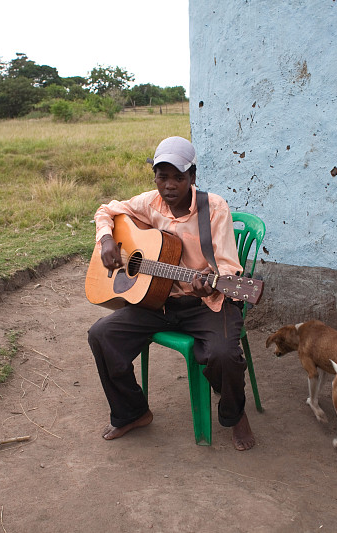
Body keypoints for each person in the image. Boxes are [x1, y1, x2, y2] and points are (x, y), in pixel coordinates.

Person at [87, 136, 255, 451]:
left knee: (224, 355)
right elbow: (106, 210)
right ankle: (132, 412)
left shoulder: (214, 208)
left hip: (206, 303)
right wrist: (106, 239)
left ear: (192, 176)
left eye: (178, 177)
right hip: (158, 301)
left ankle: (235, 414)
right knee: (101, 334)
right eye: (162, 177)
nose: (169, 185)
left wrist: (211, 282)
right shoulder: (149, 202)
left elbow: (229, 268)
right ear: (155, 177)